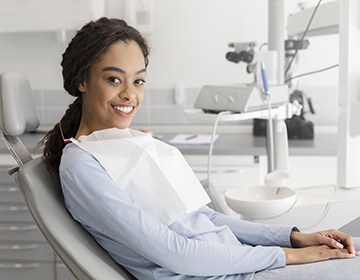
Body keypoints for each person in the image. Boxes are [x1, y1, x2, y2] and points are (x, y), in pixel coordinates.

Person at [41, 17, 360, 280]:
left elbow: (206, 219)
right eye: (114, 79)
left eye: (138, 81)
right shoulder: (82, 166)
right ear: (82, 80)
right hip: (222, 275)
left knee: (353, 246)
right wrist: (289, 256)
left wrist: (293, 237)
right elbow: (175, 254)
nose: (130, 95)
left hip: (237, 262)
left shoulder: (124, 143)